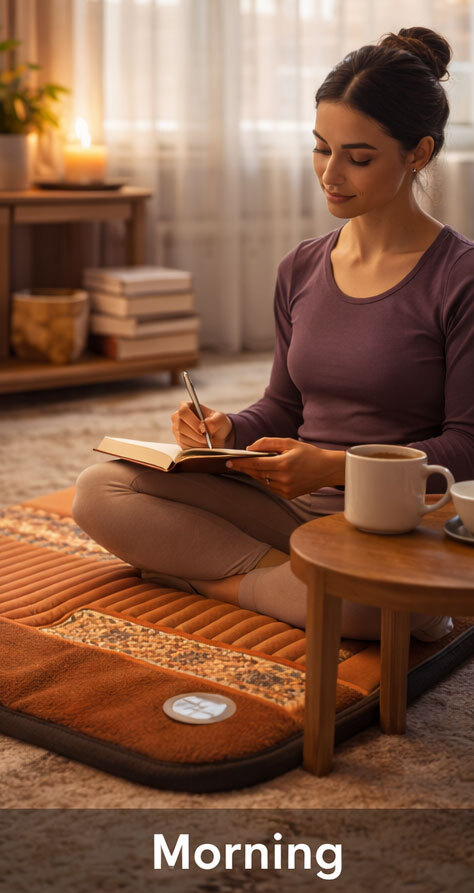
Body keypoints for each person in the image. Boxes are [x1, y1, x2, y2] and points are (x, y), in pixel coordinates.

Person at [72, 26, 474, 642]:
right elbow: (283, 406)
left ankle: (218, 579)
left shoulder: (459, 277)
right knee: (100, 490)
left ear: (417, 154)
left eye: (358, 158)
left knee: (387, 609)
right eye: (321, 148)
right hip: (291, 510)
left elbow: (467, 444)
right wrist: (229, 430)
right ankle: (290, 584)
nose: (330, 174)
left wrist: (333, 468)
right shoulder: (301, 267)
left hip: (393, 526)